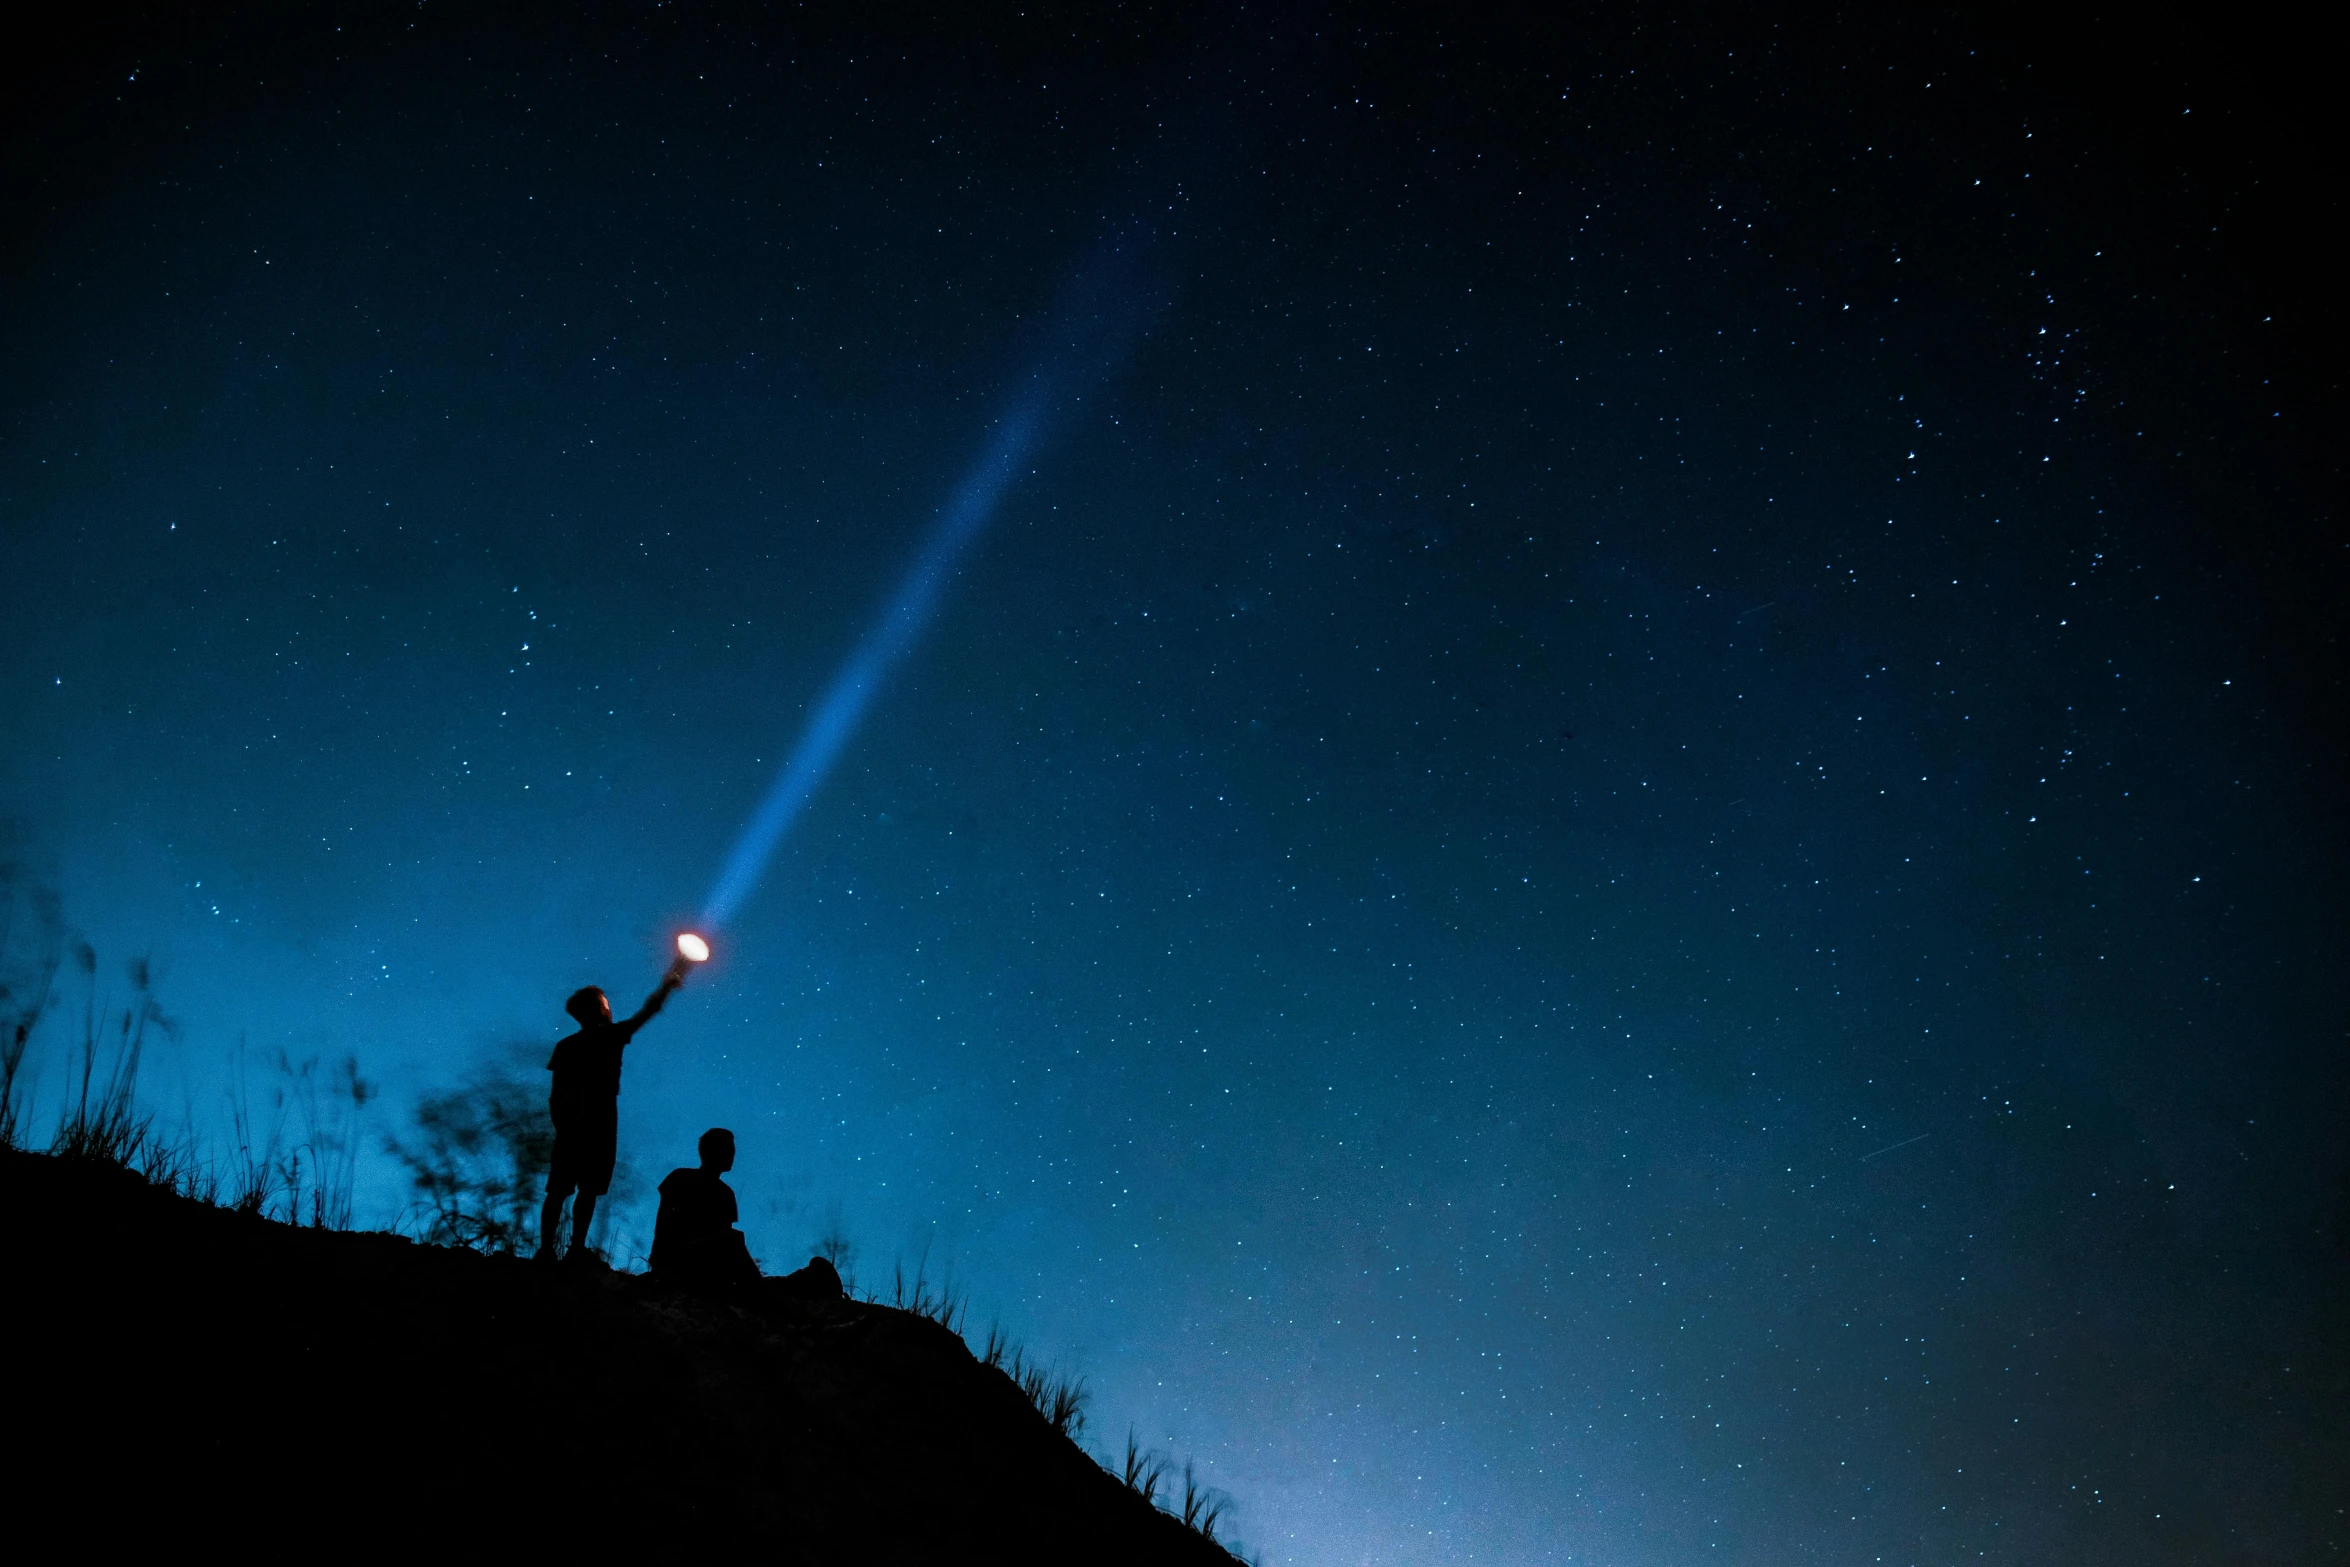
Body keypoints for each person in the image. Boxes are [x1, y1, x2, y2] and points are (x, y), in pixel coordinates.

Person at [539, 953, 690, 1264]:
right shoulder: (610, 1037)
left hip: (573, 1123)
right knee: (584, 1189)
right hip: (598, 1123)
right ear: (596, 1009)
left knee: (563, 1189)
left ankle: (549, 1251)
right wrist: (668, 983)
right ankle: (572, 1250)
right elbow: (648, 1012)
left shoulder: (567, 1046)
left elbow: (556, 1094)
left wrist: (562, 1123)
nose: (609, 1006)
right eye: (604, 1002)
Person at [651, 1127, 759, 1289]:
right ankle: (761, 1292)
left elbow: (722, 1240)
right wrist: (659, 1260)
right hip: (676, 1255)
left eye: (732, 1149)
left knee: (731, 1239)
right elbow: (663, 1221)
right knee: (732, 1238)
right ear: (712, 1151)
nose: (733, 1154)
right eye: (728, 1149)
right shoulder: (681, 1177)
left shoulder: (726, 1193)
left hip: (703, 1258)